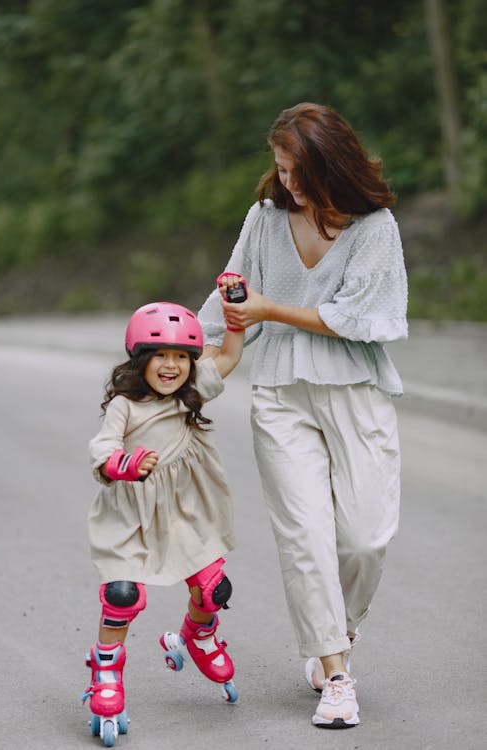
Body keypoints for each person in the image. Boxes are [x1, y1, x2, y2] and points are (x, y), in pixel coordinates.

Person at [198, 102, 408, 729]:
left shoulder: (375, 228)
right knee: (305, 536)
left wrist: (270, 309)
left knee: (366, 538)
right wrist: (175, 359)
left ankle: (334, 629)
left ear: (330, 164)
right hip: (281, 395)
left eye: (296, 171)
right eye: (281, 169)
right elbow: (227, 303)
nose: (286, 182)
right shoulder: (264, 221)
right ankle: (335, 673)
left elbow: (361, 319)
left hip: (355, 392)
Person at [81, 276, 245, 743]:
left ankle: (198, 633)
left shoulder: (193, 392)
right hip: (129, 516)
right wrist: (123, 463)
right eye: (161, 355)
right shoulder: (125, 406)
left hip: (186, 512)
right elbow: (102, 446)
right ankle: (106, 673)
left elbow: (230, 355)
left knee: (214, 589)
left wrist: (235, 308)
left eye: (181, 357)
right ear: (140, 359)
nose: (172, 366)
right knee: (122, 595)